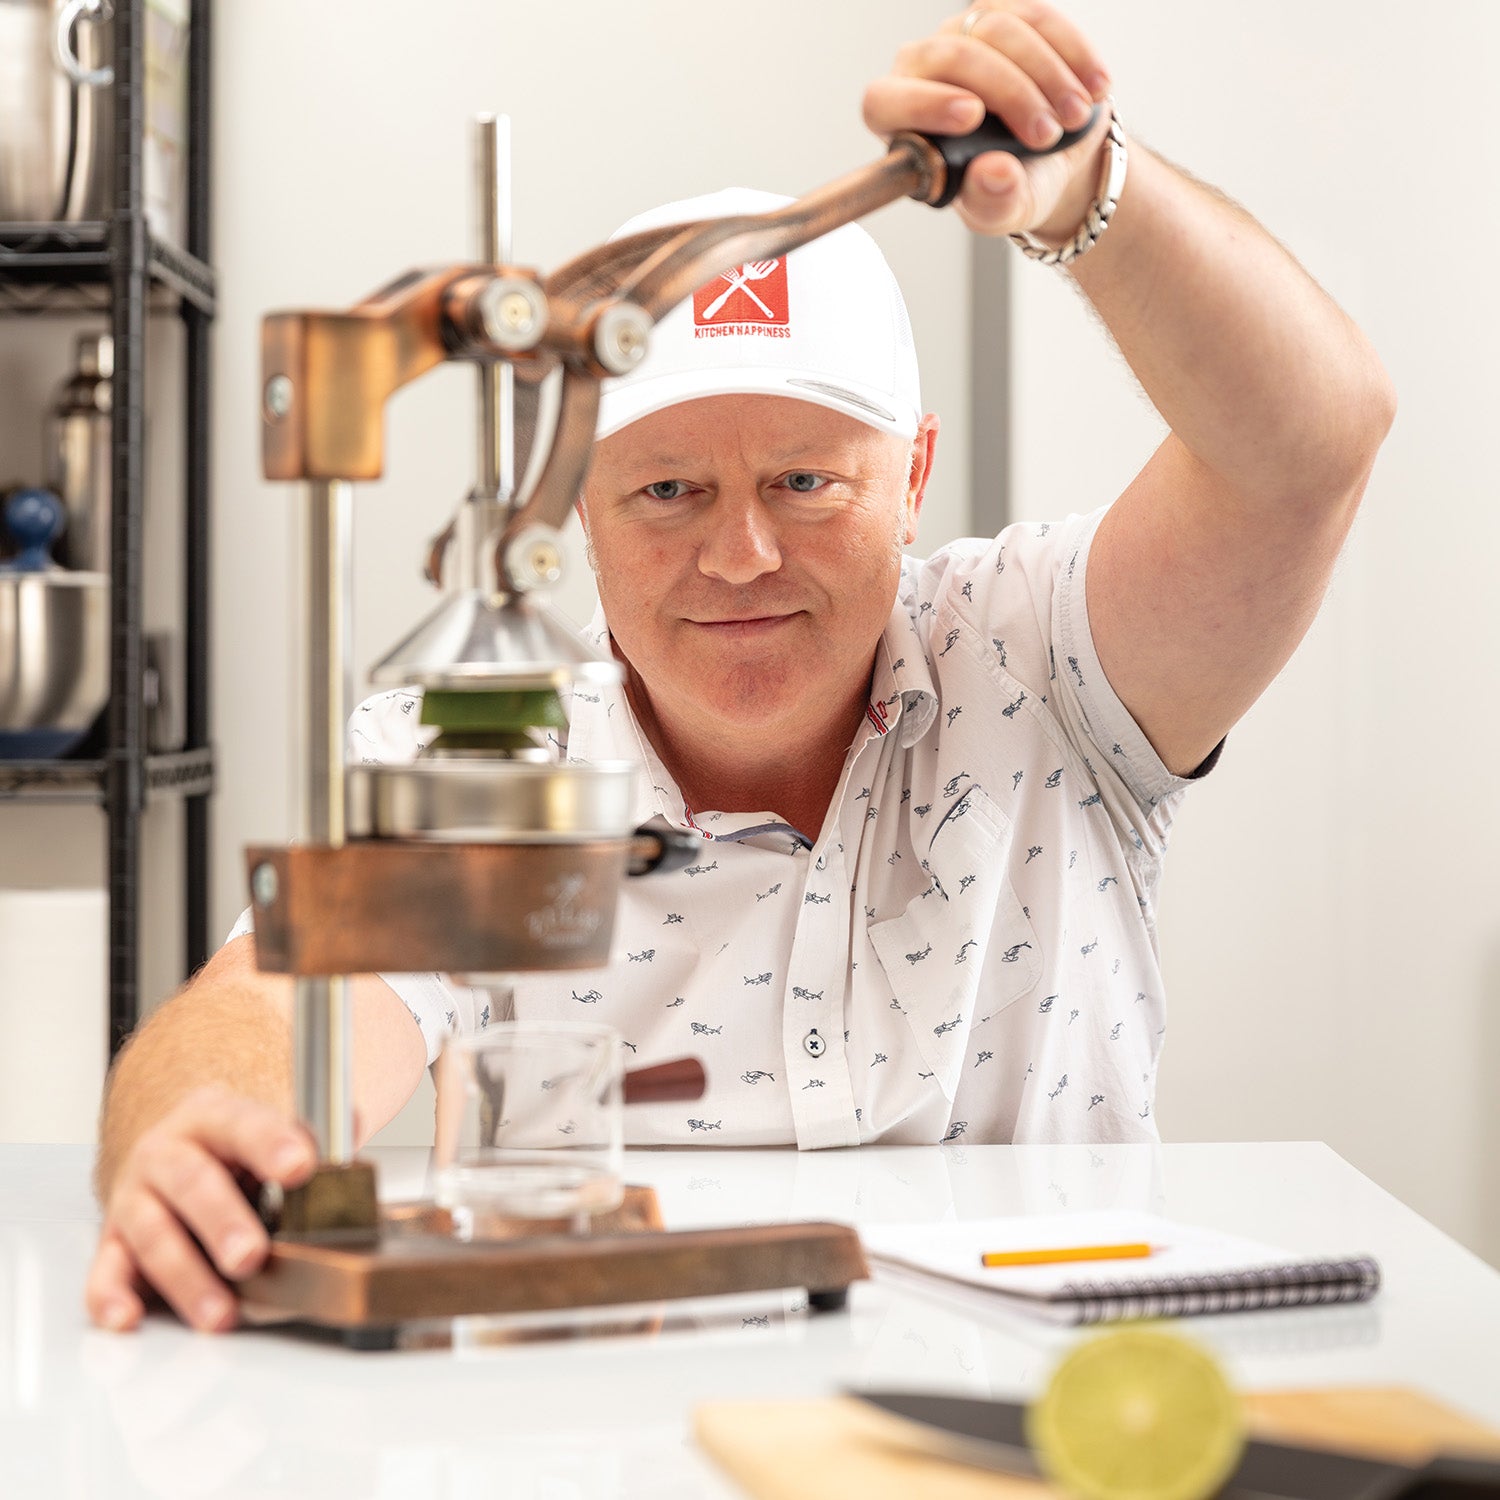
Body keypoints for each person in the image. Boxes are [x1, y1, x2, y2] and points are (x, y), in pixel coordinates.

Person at [86, 0, 1394, 1334]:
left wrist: (1089, 194)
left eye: (803, 481)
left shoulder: (1051, 659)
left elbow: (1309, 451)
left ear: (914, 478)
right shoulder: (482, 748)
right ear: (575, 506)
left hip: (1039, 1397)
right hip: (615, 1402)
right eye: (667, 491)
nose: (740, 556)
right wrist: (196, 1138)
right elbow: (270, 1010)